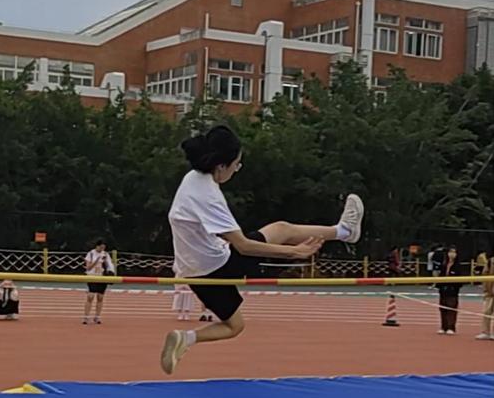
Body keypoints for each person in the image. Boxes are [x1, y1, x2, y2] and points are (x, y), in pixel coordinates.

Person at [160, 125, 363, 374]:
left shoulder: (192, 179)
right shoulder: (208, 196)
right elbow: (244, 246)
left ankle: (185, 338)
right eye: (236, 165)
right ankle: (344, 231)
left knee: (234, 325)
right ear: (220, 166)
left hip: (192, 273)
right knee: (282, 230)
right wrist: (294, 253)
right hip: (218, 266)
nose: (236, 170)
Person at [83, 239, 115, 325]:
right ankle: (86, 317)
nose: (102, 249)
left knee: (100, 297)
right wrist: (97, 260)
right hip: (92, 276)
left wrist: (111, 274)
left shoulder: (106, 254)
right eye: (101, 247)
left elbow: (110, 266)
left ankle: (97, 317)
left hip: (102, 277)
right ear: (97, 246)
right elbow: (88, 267)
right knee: (90, 296)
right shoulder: (91, 253)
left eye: (103, 248)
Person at [435, 245, 462, 335]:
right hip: (443, 290)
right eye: (450, 252)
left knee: (451, 308)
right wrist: (439, 286)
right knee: (443, 308)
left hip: (453, 291)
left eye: (454, 252)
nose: (451, 254)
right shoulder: (444, 264)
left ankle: (451, 327)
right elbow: (440, 276)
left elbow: (460, 280)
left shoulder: (458, 266)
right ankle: (443, 327)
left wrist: (454, 287)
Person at [476, 255, 494, 341]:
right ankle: (485, 332)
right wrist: (486, 288)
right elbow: (485, 274)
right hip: (489, 292)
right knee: (486, 311)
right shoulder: (490, 261)